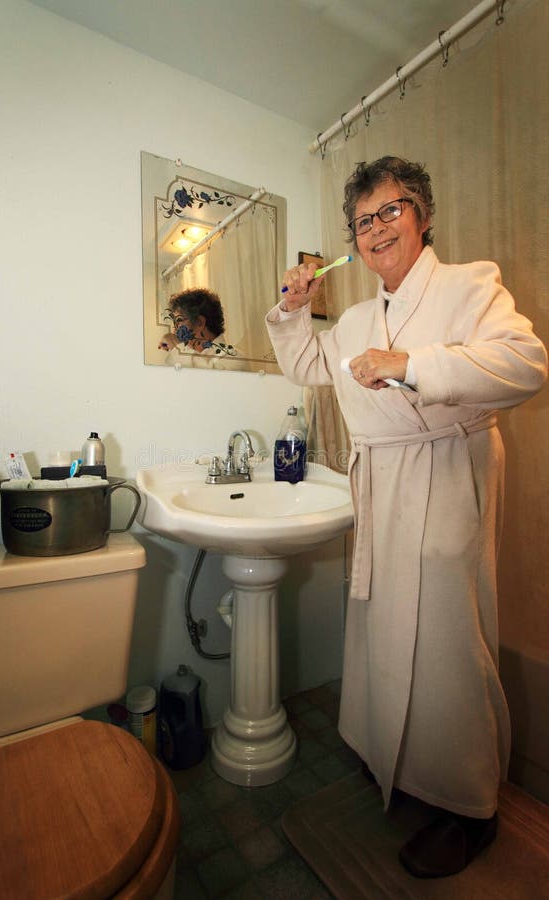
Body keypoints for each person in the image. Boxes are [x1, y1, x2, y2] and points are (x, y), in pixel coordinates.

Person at [265, 156, 547, 878]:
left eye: (390, 211)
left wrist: (410, 363)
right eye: (363, 222)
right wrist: (294, 307)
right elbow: (307, 367)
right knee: (382, 625)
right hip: (381, 483)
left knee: (449, 642)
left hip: (445, 471)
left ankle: (468, 806)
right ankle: (390, 756)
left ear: (422, 216)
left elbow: (527, 364)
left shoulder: (467, 283)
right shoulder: (357, 317)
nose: (376, 229)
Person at [158, 288, 237, 360]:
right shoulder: (194, 357)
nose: (174, 331)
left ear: (200, 322)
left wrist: (177, 347)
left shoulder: (232, 358)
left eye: (179, 322)